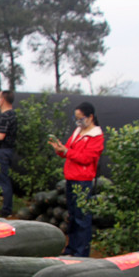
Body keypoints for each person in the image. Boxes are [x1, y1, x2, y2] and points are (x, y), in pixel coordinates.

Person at [48, 101, 105, 257]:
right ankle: (71, 248)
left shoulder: (96, 136)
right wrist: (60, 149)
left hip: (83, 180)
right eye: (77, 118)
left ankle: (81, 251)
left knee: (82, 217)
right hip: (71, 177)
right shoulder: (78, 131)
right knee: (73, 216)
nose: (78, 122)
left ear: (90, 117)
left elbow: (86, 158)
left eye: (81, 118)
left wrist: (67, 152)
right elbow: (68, 150)